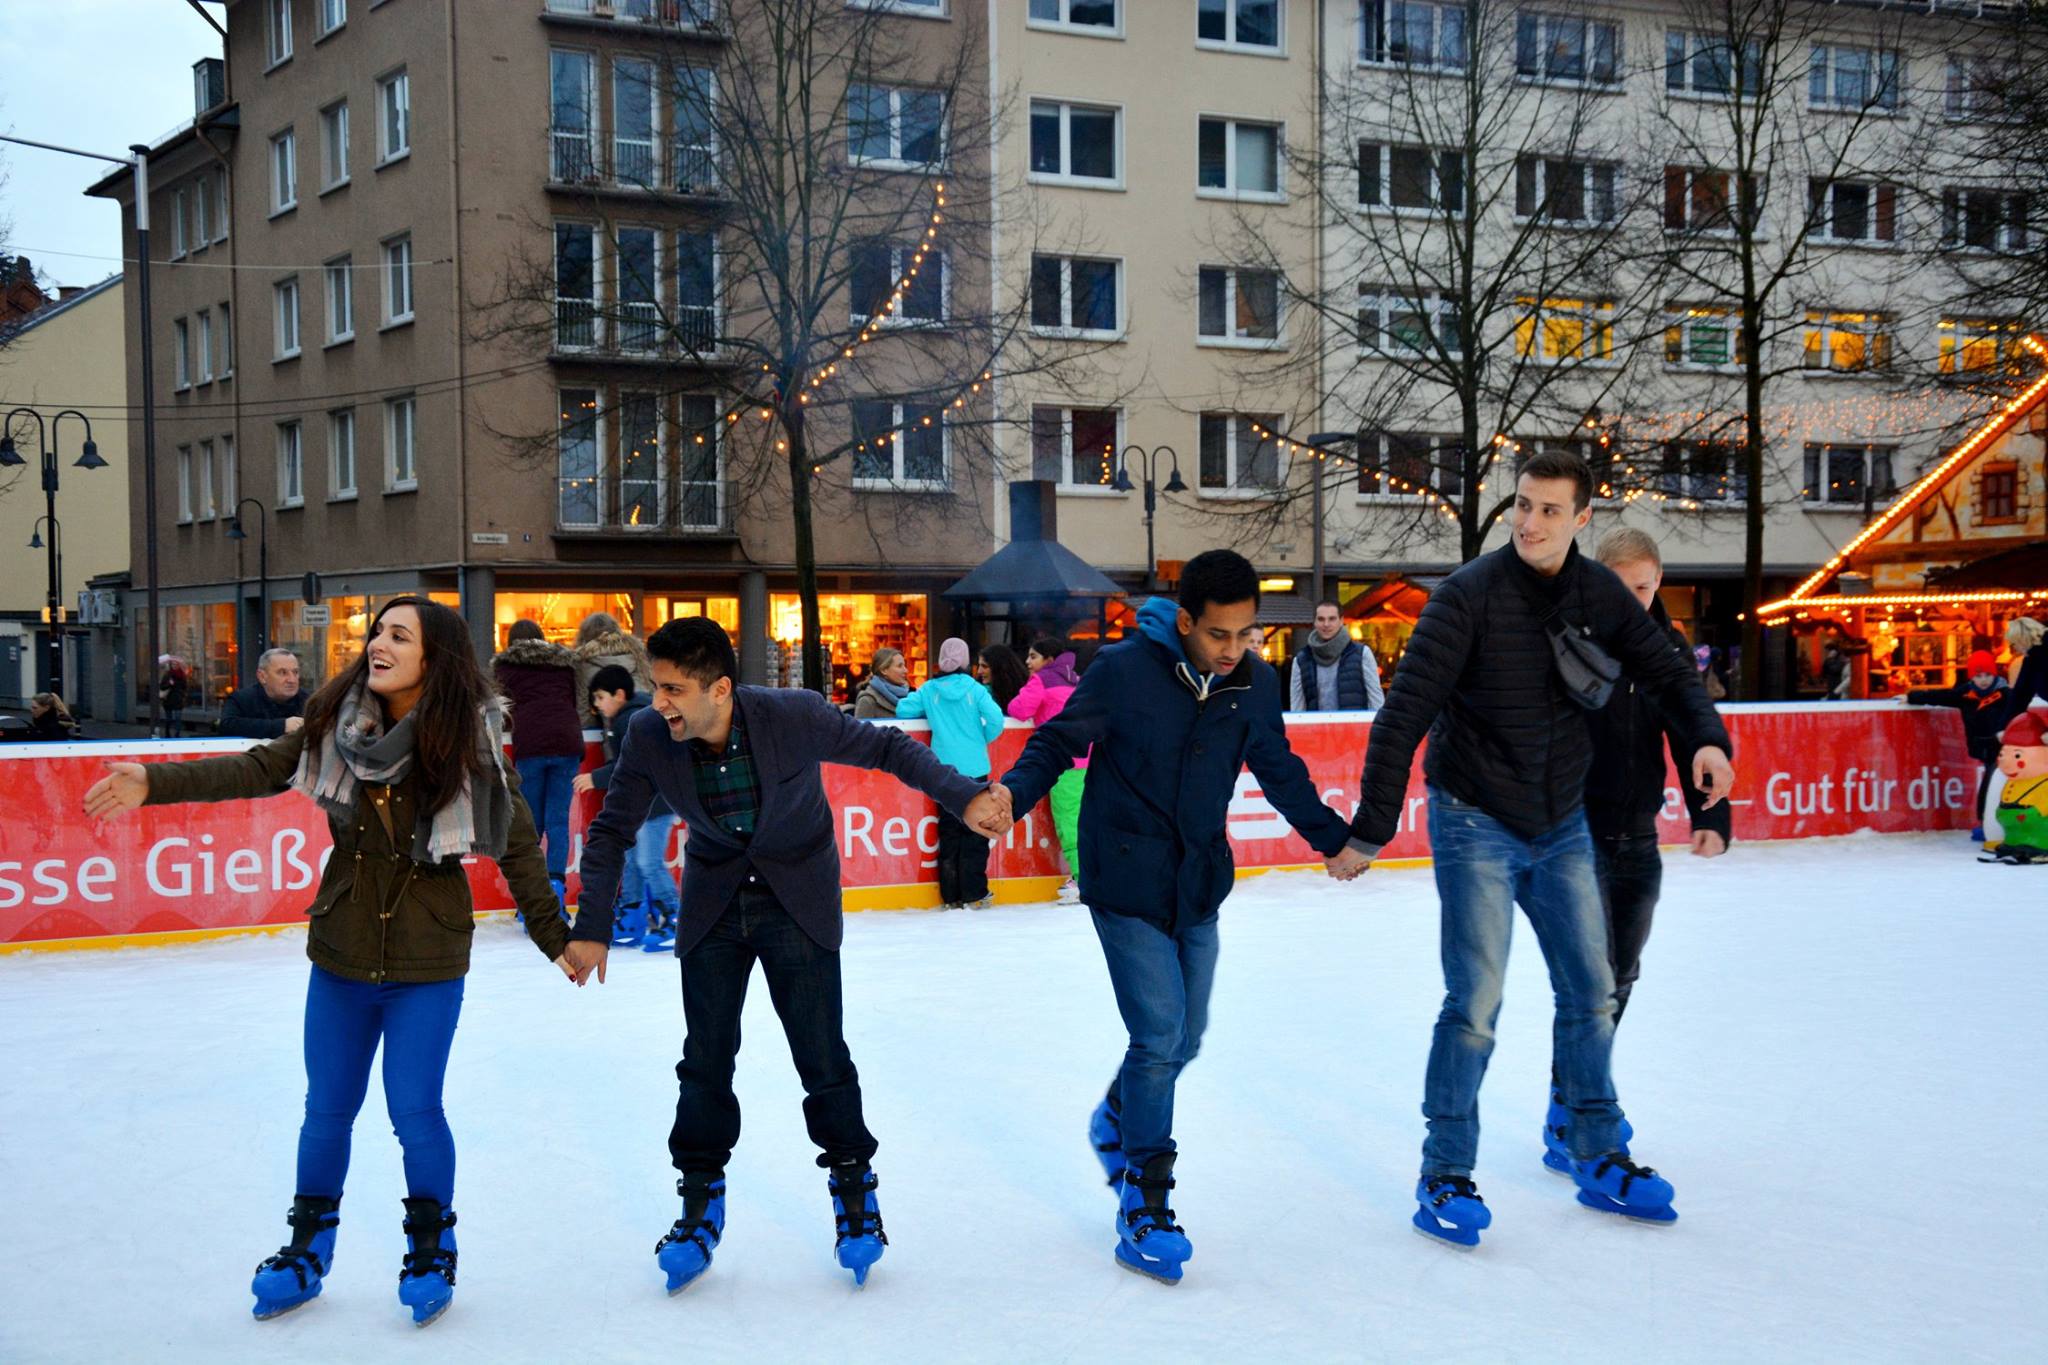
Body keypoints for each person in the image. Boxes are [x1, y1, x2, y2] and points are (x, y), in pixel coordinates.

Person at [81, 596, 591, 1327]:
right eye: (377, 631)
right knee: (326, 1112)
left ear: (433, 657)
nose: (377, 643)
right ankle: (305, 1248)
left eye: (398, 635)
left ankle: (429, 1248)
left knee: (415, 1111)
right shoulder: (335, 721)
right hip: (344, 948)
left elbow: (517, 847)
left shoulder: (473, 745)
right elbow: (259, 769)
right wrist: (154, 782)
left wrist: (557, 941)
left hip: (427, 955)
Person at [1345, 450, 1735, 1247]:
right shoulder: (1468, 596)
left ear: (1581, 518)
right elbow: (1404, 711)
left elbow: (1667, 672)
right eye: (1522, 504)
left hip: (1559, 823)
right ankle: (1445, 1172)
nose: (1530, 522)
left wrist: (1707, 740)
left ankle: (1597, 1151)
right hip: (1473, 816)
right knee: (1475, 1004)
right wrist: (1371, 826)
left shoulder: (1600, 593)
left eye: (1550, 510)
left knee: (1592, 989)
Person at [567, 617, 1009, 1292]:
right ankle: (699, 1201)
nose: (658, 702)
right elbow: (610, 830)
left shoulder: (792, 716)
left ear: (720, 687)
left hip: (795, 896)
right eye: (657, 686)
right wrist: (593, 921)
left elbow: (890, 752)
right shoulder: (653, 736)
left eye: (673, 688)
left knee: (821, 1055)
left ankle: (854, 1190)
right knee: (705, 1060)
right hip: (714, 899)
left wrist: (966, 795)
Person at [983, 551, 1364, 1285]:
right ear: (1186, 621)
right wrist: (1013, 793)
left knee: (1186, 1033)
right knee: (1158, 1033)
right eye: (1220, 634)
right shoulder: (1124, 673)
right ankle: (1145, 1203)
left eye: (1246, 634)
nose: (1233, 650)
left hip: (1197, 882)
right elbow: (1058, 741)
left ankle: (1116, 1117)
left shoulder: (1250, 684)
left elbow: (1280, 769)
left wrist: (1332, 840)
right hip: (1123, 877)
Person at [1544, 529, 1733, 1169]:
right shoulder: (1569, 641)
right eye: (1621, 587)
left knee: (1621, 975)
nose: (1633, 599)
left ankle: (1569, 1097)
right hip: (1576, 832)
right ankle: (1576, 1110)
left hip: (1638, 834)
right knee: (1590, 982)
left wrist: (1713, 811)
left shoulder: (1665, 651)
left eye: (1645, 588)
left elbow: (1692, 729)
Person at [575, 663, 681, 950]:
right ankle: (632, 917)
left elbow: (632, 766)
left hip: (655, 804)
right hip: (641, 804)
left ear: (619, 694)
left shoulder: (633, 720)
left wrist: (595, 777)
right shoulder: (627, 719)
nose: (597, 705)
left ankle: (674, 918)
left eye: (600, 697)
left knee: (648, 861)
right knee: (633, 860)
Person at [896, 637, 1006, 908]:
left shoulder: (929, 689)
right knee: (976, 832)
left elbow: (903, 708)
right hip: (975, 768)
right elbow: (995, 720)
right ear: (966, 660)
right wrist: (981, 739)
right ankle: (974, 893)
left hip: (942, 770)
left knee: (949, 832)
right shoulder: (975, 688)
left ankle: (951, 896)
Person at [493, 619, 586, 903]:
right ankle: (556, 889)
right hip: (567, 741)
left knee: (530, 823)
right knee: (558, 822)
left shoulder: (506, 667)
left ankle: (532, 897)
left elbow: (499, 707)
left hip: (531, 743)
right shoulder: (565, 663)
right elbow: (575, 700)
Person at [1007, 637, 1088, 899]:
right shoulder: (1076, 678)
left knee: (1069, 820)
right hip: (1087, 757)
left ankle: (1083, 880)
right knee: (1085, 819)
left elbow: (1019, 710)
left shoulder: (1042, 679)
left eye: (1033, 656)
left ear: (1049, 660)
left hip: (1063, 760)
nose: (1028, 662)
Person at [1904, 649, 2010, 840]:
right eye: (1979, 676)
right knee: (1993, 782)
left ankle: (1989, 822)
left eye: (1988, 675)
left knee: (1992, 782)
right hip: (1982, 747)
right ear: (1972, 677)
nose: (1984, 680)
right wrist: (1911, 697)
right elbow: (1940, 696)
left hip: (2004, 749)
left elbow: (2018, 711)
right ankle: (1989, 823)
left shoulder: (2005, 695)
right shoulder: (1966, 695)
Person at [1288, 600, 1384, 712]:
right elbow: (1297, 708)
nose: (1326, 624)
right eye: (1321, 619)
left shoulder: (1362, 654)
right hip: (1316, 728)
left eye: (1332, 619)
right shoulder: (1301, 660)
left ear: (1341, 621)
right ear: (1314, 622)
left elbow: (1376, 701)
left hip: (1354, 728)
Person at [1981, 710, 2048, 864]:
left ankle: (2039, 847)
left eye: (2017, 756)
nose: (2005, 763)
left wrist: (2036, 812)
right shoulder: (2010, 780)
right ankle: (2013, 845)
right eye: (2002, 755)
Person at [571, 611, 654, 727]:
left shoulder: (584, 664)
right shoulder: (637, 654)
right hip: (649, 717)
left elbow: (583, 712)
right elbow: (650, 687)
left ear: (583, 637)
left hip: (615, 727)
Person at [217, 648, 310, 739]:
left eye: (295, 672)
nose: (292, 680)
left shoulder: (309, 701)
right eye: (282, 673)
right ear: (262, 676)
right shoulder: (242, 700)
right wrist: (281, 726)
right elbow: (227, 726)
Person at [2002, 616, 2045, 720]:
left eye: (2014, 643)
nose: (2015, 648)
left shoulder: (2035, 659)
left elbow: (2019, 694)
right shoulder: (2031, 659)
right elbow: (2020, 694)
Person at [853, 647, 911, 719]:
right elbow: (860, 729)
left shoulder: (909, 697)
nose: (906, 670)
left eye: (904, 665)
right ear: (884, 670)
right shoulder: (867, 700)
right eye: (900, 666)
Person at [977, 642, 1028, 714]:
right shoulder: (979, 693)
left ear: (1000, 668)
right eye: (979, 665)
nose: (979, 671)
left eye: (984, 666)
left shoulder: (1026, 692)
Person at [159, 655, 191, 737]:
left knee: (178, 719)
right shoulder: (167, 674)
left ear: (178, 665)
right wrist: (169, 684)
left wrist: (183, 695)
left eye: (176, 664)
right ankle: (167, 734)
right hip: (168, 700)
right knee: (169, 719)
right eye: (173, 664)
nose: (174, 666)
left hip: (178, 700)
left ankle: (177, 735)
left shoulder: (182, 675)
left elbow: (185, 687)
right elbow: (162, 687)